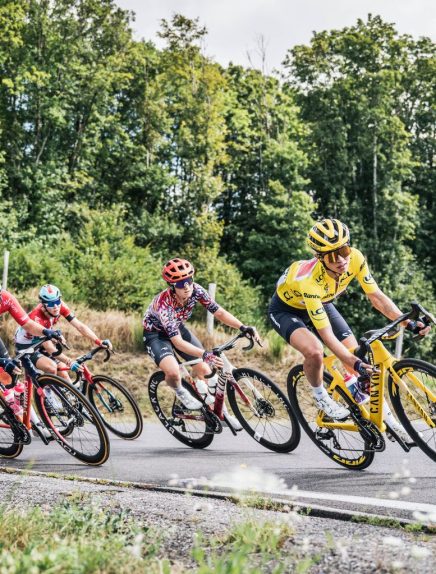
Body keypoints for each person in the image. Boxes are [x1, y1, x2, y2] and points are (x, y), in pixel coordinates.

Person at [268, 218, 430, 441]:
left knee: (356, 357)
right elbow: (327, 337)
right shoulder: (310, 282)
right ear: (320, 257)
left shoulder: (355, 258)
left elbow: (377, 297)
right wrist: (354, 364)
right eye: (334, 255)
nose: (342, 259)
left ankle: (388, 421)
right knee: (316, 350)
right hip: (287, 311)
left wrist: (407, 322)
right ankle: (320, 396)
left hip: (322, 303)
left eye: (344, 249)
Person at [143, 258, 260, 430]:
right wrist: (205, 354)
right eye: (181, 283)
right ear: (173, 286)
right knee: (173, 372)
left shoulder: (197, 290)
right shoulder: (164, 305)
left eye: (189, 280)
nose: (187, 286)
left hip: (177, 327)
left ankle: (223, 415)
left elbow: (219, 312)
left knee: (206, 371)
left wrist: (243, 326)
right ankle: (181, 392)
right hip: (156, 335)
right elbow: (177, 343)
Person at [14, 284, 112, 382]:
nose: (56, 306)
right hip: (27, 347)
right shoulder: (37, 318)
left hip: (42, 341)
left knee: (63, 374)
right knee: (51, 368)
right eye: (51, 304)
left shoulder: (60, 306)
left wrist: (98, 341)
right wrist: (70, 362)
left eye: (57, 301)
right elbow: (49, 347)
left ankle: (72, 396)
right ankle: (48, 394)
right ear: (43, 305)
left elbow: (79, 326)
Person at [0, 288, 63, 379]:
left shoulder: (6, 298)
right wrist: (2, 362)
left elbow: (28, 324)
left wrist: (46, 331)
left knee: (10, 375)